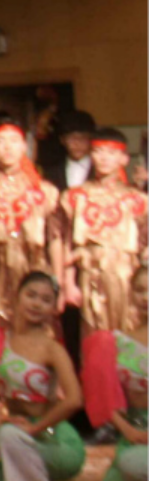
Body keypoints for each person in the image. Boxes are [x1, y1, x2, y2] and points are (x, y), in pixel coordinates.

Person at [0, 270, 86, 481]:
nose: (36, 304)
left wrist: (36, 427)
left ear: (53, 309)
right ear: (16, 297)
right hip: (15, 434)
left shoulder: (53, 349)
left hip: (52, 438)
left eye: (45, 300)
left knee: (8, 435)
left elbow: (74, 399)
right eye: (31, 295)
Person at [59, 128, 148, 352]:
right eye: (99, 152)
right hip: (91, 275)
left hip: (128, 276)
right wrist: (68, 283)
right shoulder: (75, 196)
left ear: (124, 158)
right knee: (93, 337)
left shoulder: (137, 199)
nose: (104, 158)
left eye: (111, 153)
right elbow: (68, 243)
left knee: (129, 333)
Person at [0, 116, 57, 329]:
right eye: (0, 141)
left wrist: (58, 280)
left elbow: (55, 239)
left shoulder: (44, 190)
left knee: (37, 331)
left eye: (14, 141)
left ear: (25, 146)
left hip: (34, 266)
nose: (7, 147)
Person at [90, 264, 148, 481]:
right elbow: (105, 398)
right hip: (134, 432)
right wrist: (128, 431)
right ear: (131, 294)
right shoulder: (116, 341)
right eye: (140, 290)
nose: (146, 297)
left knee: (136, 465)